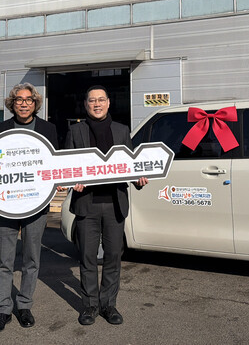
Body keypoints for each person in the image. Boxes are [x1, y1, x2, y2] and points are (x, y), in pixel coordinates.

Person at [65, 85, 148, 326]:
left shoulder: (122, 131)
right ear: (86, 104)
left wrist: (139, 178)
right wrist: (72, 181)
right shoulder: (75, 131)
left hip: (114, 204)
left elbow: (131, 165)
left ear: (109, 103)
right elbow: (67, 164)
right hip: (86, 204)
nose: (97, 104)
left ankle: (109, 305)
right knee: (87, 257)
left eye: (101, 100)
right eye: (92, 100)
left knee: (113, 256)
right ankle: (90, 305)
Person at [0, 82, 58, 333]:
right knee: (3, 259)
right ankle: (3, 309)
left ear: (35, 103)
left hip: (36, 203)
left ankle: (25, 306)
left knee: (31, 258)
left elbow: (54, 163)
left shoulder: (48, 129)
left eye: (29, 100)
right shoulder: (0, 129)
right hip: (5, 203)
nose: (24, 104)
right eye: (19, 99)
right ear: (12, 103)